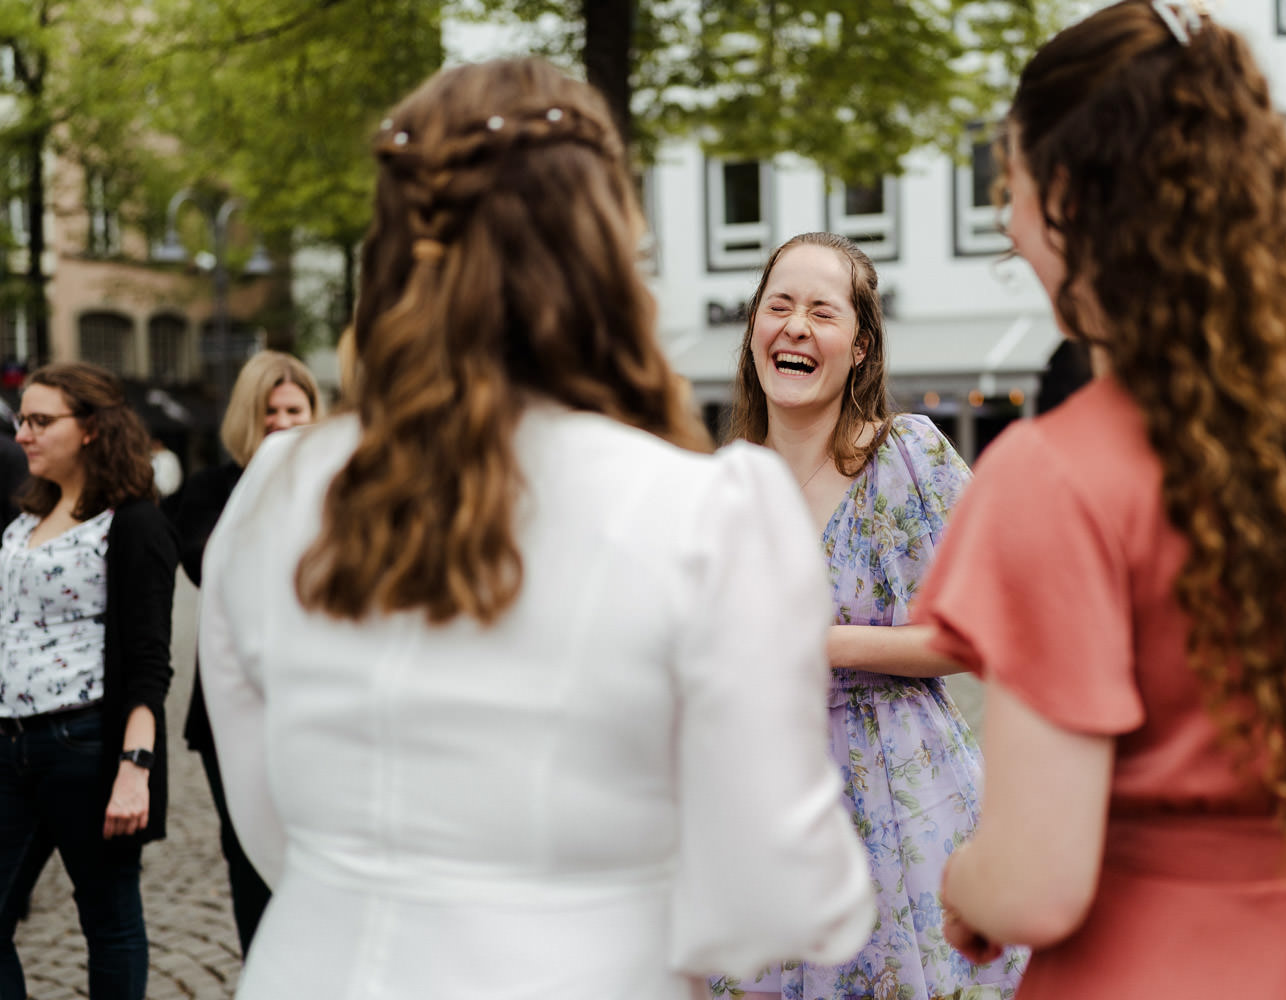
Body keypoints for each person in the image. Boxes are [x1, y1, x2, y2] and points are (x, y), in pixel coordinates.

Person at [197, 57, 875, 1000]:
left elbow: (264, 816)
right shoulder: (706, 512)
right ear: (602, 252)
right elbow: (776, 900)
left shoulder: (277, 485)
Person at [916, 3, 1286, 997]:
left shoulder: (1052, 475)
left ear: (1066, 194)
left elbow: (1036, 886)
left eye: (1007, 186)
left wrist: (966, 879)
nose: (1007, 224)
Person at [709, 231, 1026, 1000]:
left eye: (822, 312)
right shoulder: (719, 488)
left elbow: (990, 629)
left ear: (859, 348)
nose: (794, 326)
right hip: (762, 810)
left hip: (906, 800)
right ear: (754, 327)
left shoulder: (907, 455)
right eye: (778, 306)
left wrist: (822, 644)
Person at [0, 362, 176, 1000]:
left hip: (84, 745)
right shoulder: (26, 517)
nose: (24, 434)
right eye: (23, 419)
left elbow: (150, 662)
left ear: (93, 429)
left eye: (42, 421)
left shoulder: (133, 524)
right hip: (9, 745)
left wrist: (136, 768)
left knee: (108, 923)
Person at [173, 350, 323, 956]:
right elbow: (210, 568)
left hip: (315, 702)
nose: (285, 423)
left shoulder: (340, 484)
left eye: (297, 409)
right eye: (271, 413)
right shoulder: (210, 491)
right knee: (247, 853)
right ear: (246, 418)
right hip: (232, 708)